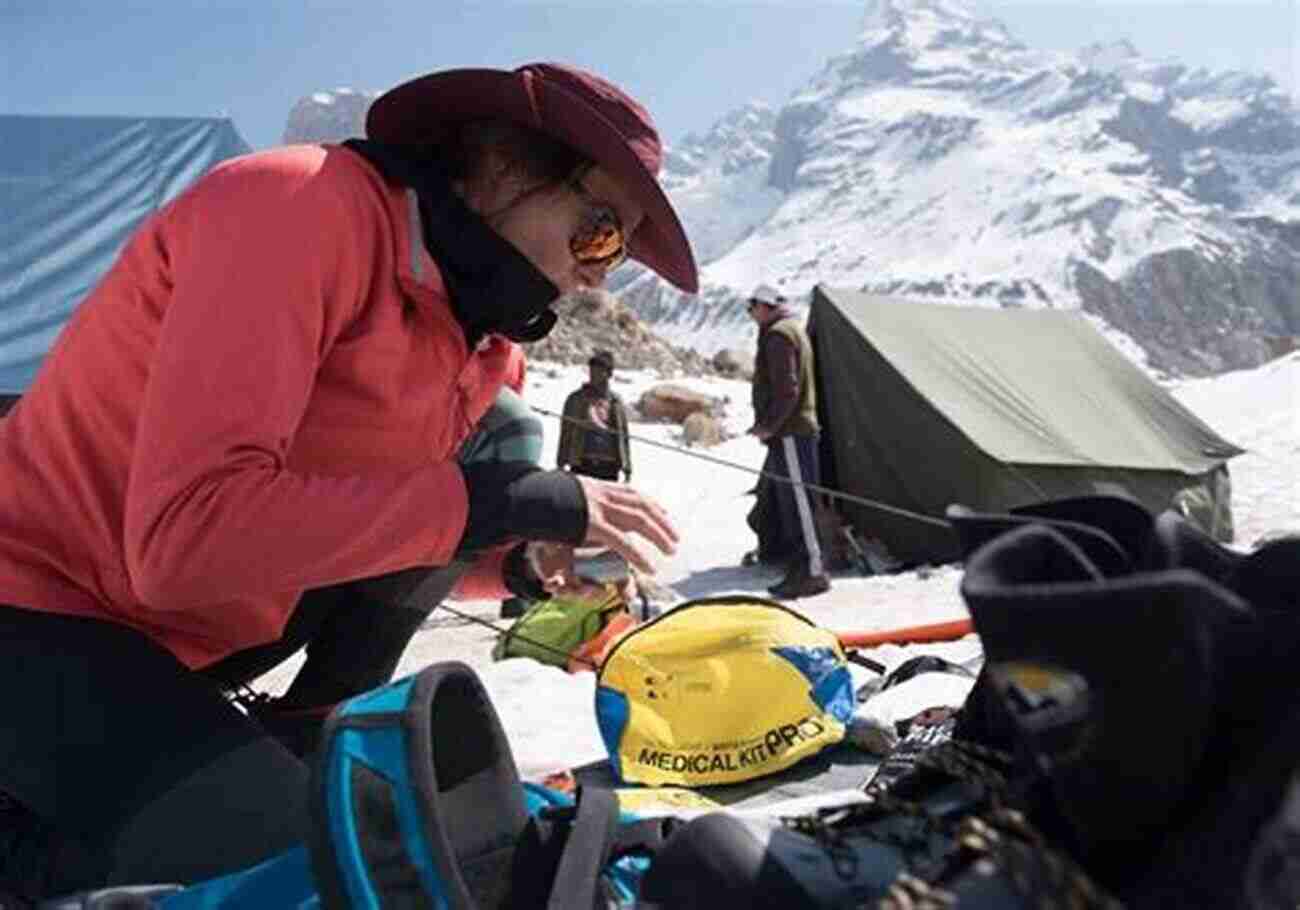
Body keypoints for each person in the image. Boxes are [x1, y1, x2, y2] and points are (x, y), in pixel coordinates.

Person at [0, 62, 697, 900]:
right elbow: (184, 540)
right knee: (324, 872)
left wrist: (511, 566)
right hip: (37, 607)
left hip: (185, 638)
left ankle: (304, 732)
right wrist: (497, 503)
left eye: (614, 256)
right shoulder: (292, 209)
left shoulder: (481, 340)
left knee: (498, 444)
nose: (597, 272)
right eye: (599, 233)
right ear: (505, 168)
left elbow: (389, 525)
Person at [746, 284, 832, 599]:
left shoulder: (779, 335)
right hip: (794, 430)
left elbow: (788, 390)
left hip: (792, 431)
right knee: (796, 501)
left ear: (764, 306)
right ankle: (802, 568)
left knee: (800, 503)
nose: (750, 313)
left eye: (751, 306)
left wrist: (769, 426)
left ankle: (812, 572)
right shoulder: (792, 329)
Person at [556, 349, 632, 483]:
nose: (593, 375)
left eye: (599, 371)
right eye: (591, 370)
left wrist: (627, 467)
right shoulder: (575, 399)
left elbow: (623, 436)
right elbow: (566, 431)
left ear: (608, 374)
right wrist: (561, 462)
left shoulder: (616, 402)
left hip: (609, 467)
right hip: (582, 463)